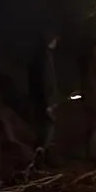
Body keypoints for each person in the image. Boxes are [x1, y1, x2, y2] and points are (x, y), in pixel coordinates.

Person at [27, 30, 61, 163]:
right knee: (48, 126)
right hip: (44, 100)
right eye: (55, 40)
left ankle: (42, 155)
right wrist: (49, 103)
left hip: (39, 99)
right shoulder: (44, 58)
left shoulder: (39, 56)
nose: (56, 42)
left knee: (44, 126)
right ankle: (39, 156)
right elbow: (46, 81)